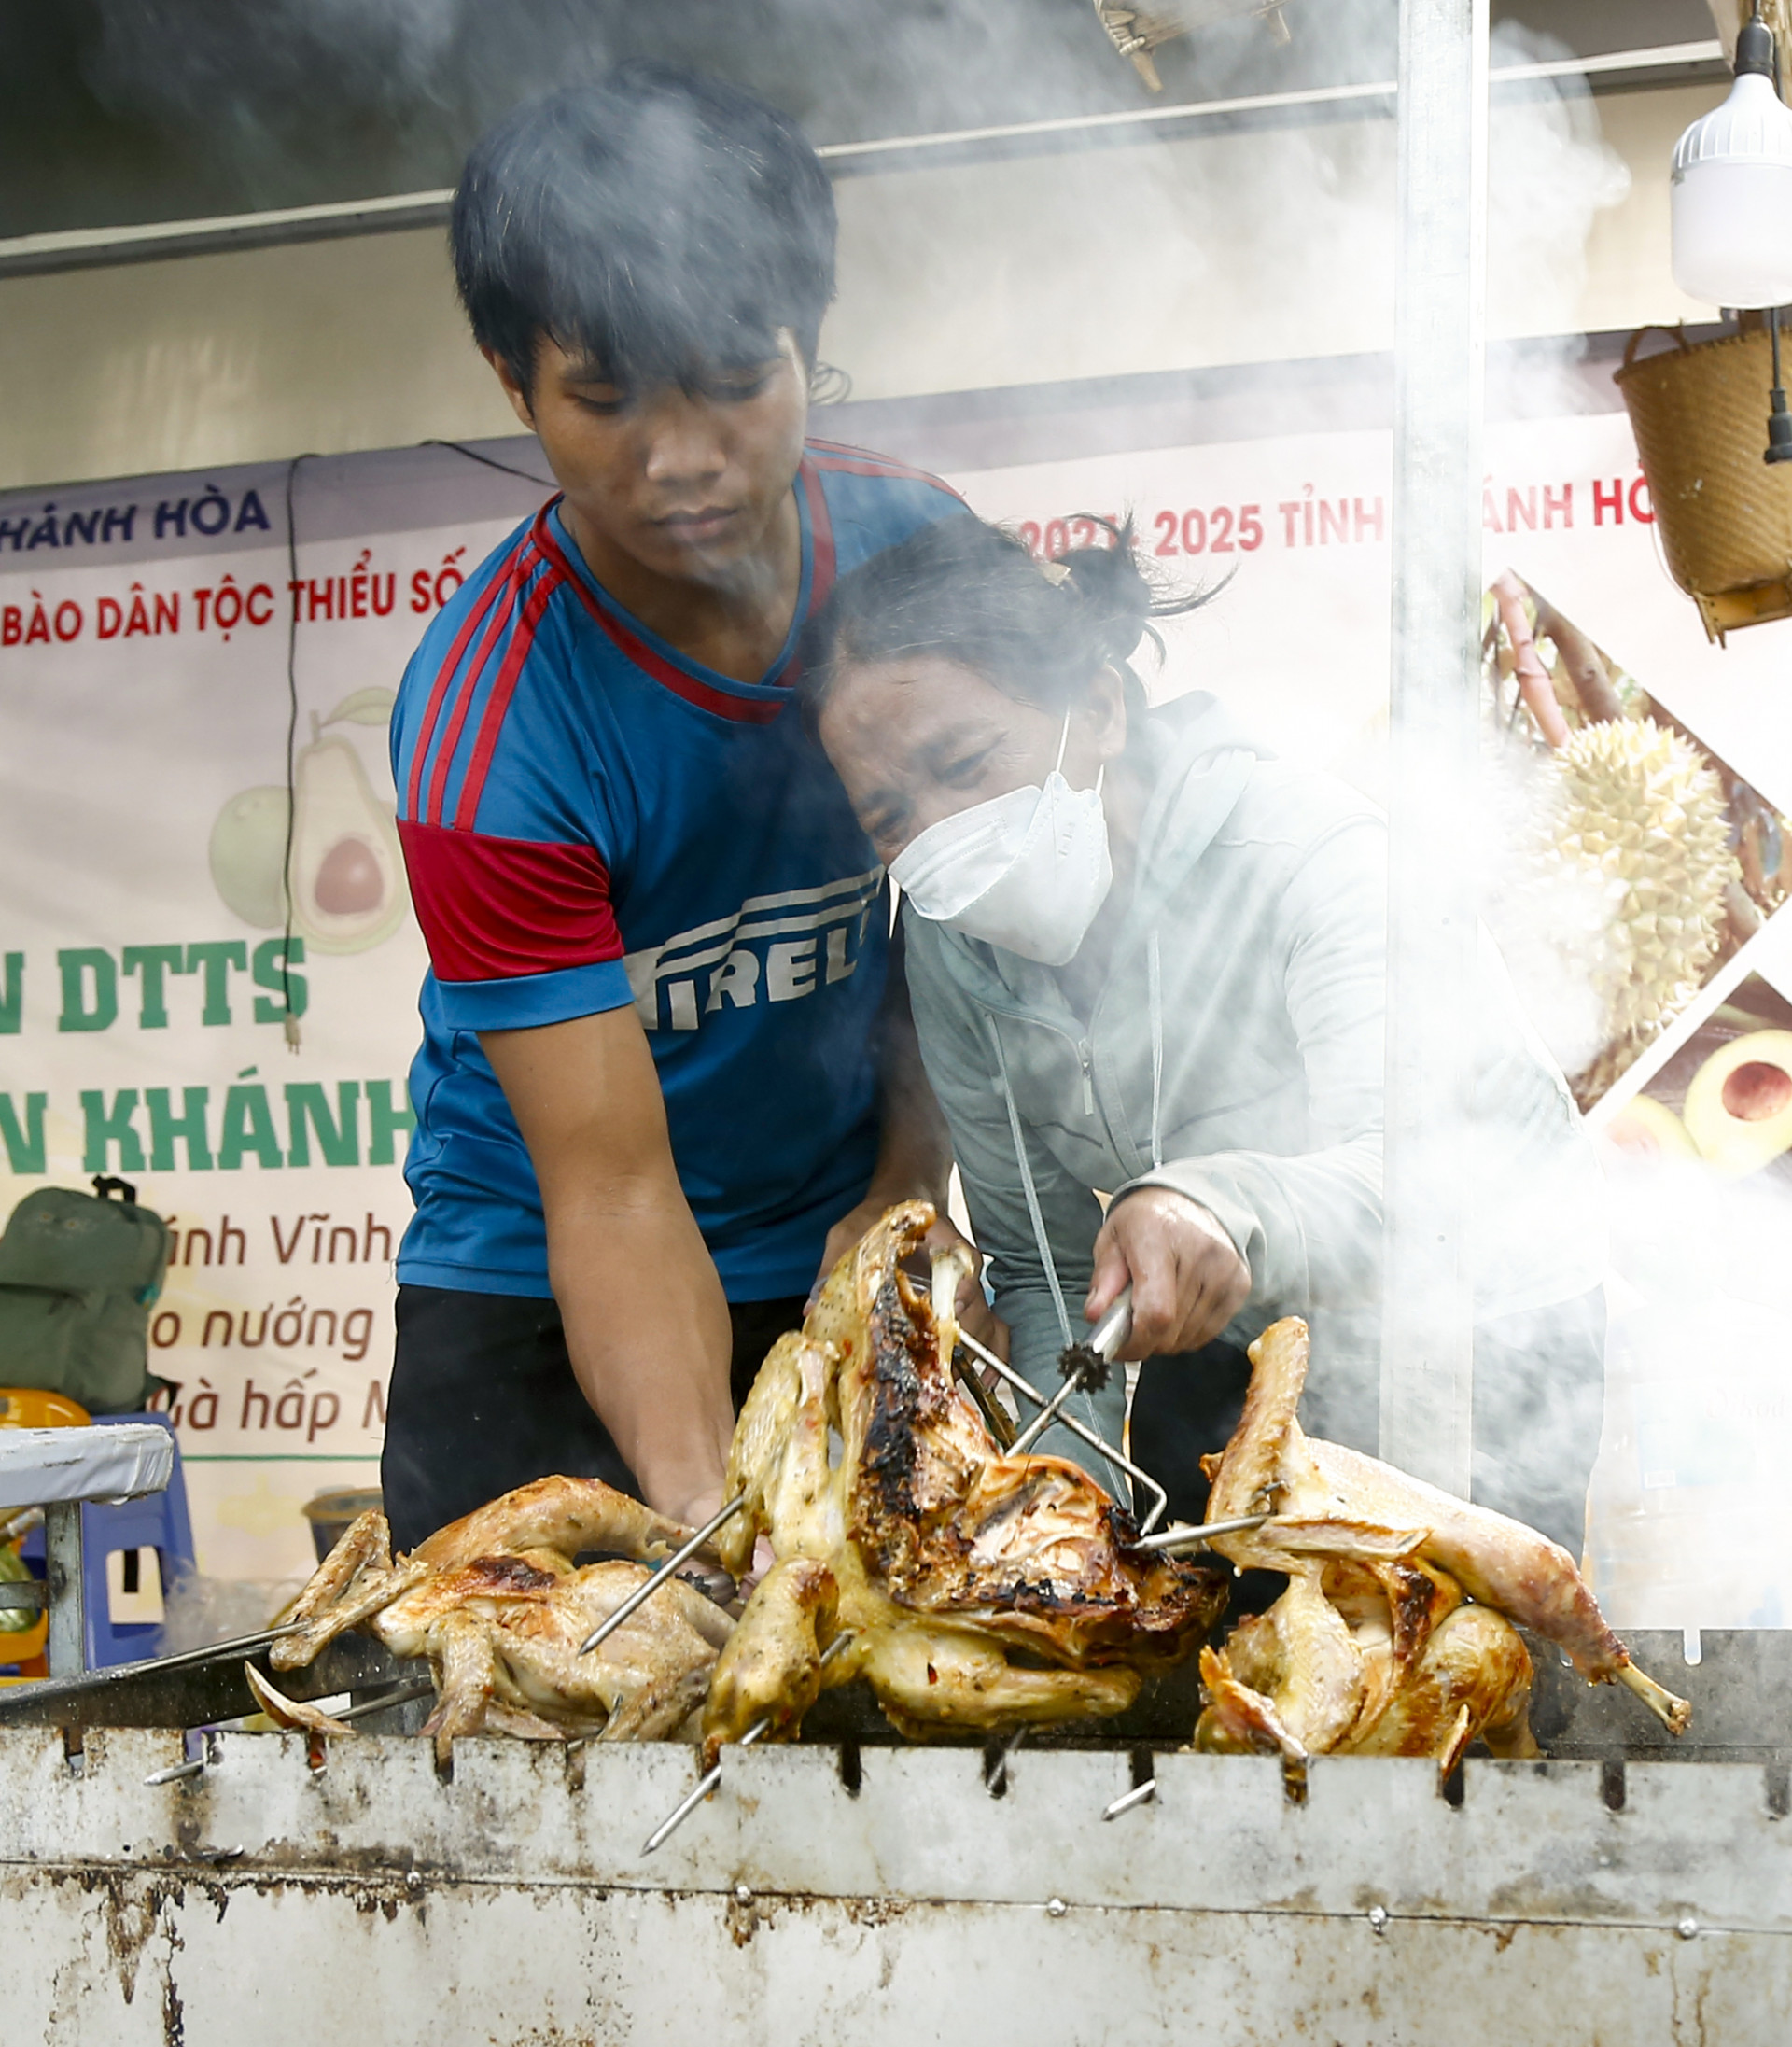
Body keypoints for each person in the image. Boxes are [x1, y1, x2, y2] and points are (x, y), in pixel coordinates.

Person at [382, 67, 980, 1551]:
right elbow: (613, 1192)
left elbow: (974, 941)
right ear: (510, 377)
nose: (681, 458)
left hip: (837, 1240)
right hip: (538, 1282)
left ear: (808, 339)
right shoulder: (491, 727)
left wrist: (907, 1186)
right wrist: (712, 1524)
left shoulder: (919, 558)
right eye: (603, 398)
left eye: (732, 379)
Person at [796, 514, 1610, 1558]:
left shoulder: (1317, 857)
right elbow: (1040, 1274)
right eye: (889, 815)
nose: (942, 834)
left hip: (1474, 1308)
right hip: (1230, 1300)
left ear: (1094, 707)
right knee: (1192, 1618)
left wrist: (1215, 1203)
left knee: (1435, 1657)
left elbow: (1418, 1179)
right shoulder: (953, 943)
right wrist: (1067, 1542)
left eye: (964, 762)